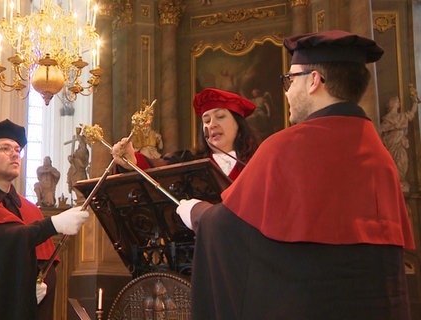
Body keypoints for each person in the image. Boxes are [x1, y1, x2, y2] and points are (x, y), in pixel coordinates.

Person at [175, 30, 416, 320]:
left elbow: (231, 230)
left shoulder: (284, 147)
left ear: (314, 81)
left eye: (290, 80)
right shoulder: (380, 155)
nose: (286, 92)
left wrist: (196, 213)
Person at [0, 119, 89, 320]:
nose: (14, 154)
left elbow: (44, 264)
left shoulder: (30, 209)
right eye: (5, 148)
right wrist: (53, 224)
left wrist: (37, 285)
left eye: (17, 149)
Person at [112, 88, 259, 182]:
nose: (212, 125)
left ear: (239, 124)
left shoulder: (258, 163)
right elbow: (157, 168)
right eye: (206, 120)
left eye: (220, 116)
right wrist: (132, 161)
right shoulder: (189, 162)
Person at [380, 95, 418, 192]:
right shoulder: (387, 119)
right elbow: (381, 130)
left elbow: (411, 115)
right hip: (391, 145)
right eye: (397, 102)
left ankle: (399, 181)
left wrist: (415, 103)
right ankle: (393, 181)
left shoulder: (401, 116)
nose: (399, 104)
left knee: (403, 161)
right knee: (392, 161)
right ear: (393, 104)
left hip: (400, 145)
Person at [66, 132, 89, 204]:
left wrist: (74, 160)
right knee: (75, 185)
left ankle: (81, 200)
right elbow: (73, 159)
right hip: (74, 172)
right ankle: (79, 201)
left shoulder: (84, 151)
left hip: (79, 172)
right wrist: (70, 159)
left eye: (80, 142)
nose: (79, 143)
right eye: (79, 142)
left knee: (80, 186)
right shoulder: (77, 151)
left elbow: (82, 163)